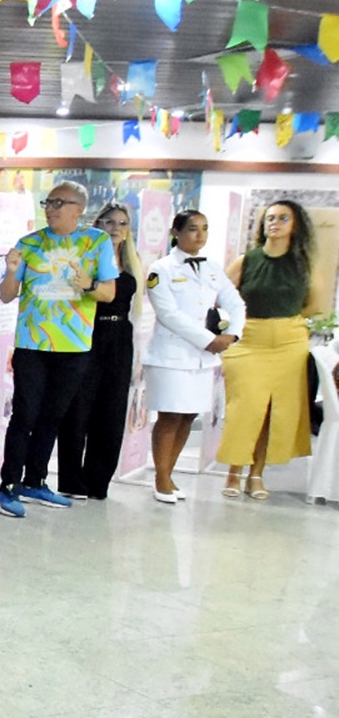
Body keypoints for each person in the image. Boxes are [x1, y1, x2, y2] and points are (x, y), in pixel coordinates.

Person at [0, 181, 119, 518]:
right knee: (25, 415)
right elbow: (6, 295)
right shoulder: (30, 243)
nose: (50, 208)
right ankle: (7, 486)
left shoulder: (96, 242)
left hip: (74, 345)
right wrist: (9, 271)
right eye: (48, 202)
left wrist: (88, 285)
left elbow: (108, 293)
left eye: (59, 203)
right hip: (32, 344)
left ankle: (34, 481)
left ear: (79, 210)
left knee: (53, 416)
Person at [143, 211, 244, 503]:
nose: (199, 235)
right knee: (170, 415)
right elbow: (169, 314)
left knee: (188, 415)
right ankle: (160, 477)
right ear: (176, 232)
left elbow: (235, 303)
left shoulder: (212, 267)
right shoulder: (160, 269)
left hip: (202, 358)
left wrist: (233, 335)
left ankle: (169, 473)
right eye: (192, 229)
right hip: (171, 355)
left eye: (204, 229)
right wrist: (209, 339)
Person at [222, 198, 319, 499]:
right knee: (245, 408)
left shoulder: (304, 264)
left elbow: (314, 304)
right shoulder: (247, 260)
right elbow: (221, 296)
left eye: (282, 218)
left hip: (289, 341)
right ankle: (233, 473)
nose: (274, 223)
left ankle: (256, 475)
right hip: (250, 338)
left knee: (271, 412)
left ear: (296, 225)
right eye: (269, 218)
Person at [56, 201, 149, 500]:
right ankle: (71, 481)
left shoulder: (133, 263)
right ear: (98, 224)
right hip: (86, 336)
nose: (116, 228)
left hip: (120, 338)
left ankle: (98, 482)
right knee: (77, 411)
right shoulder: (85, 259)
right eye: (109, 222)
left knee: (111, 413)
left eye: (122, 223)